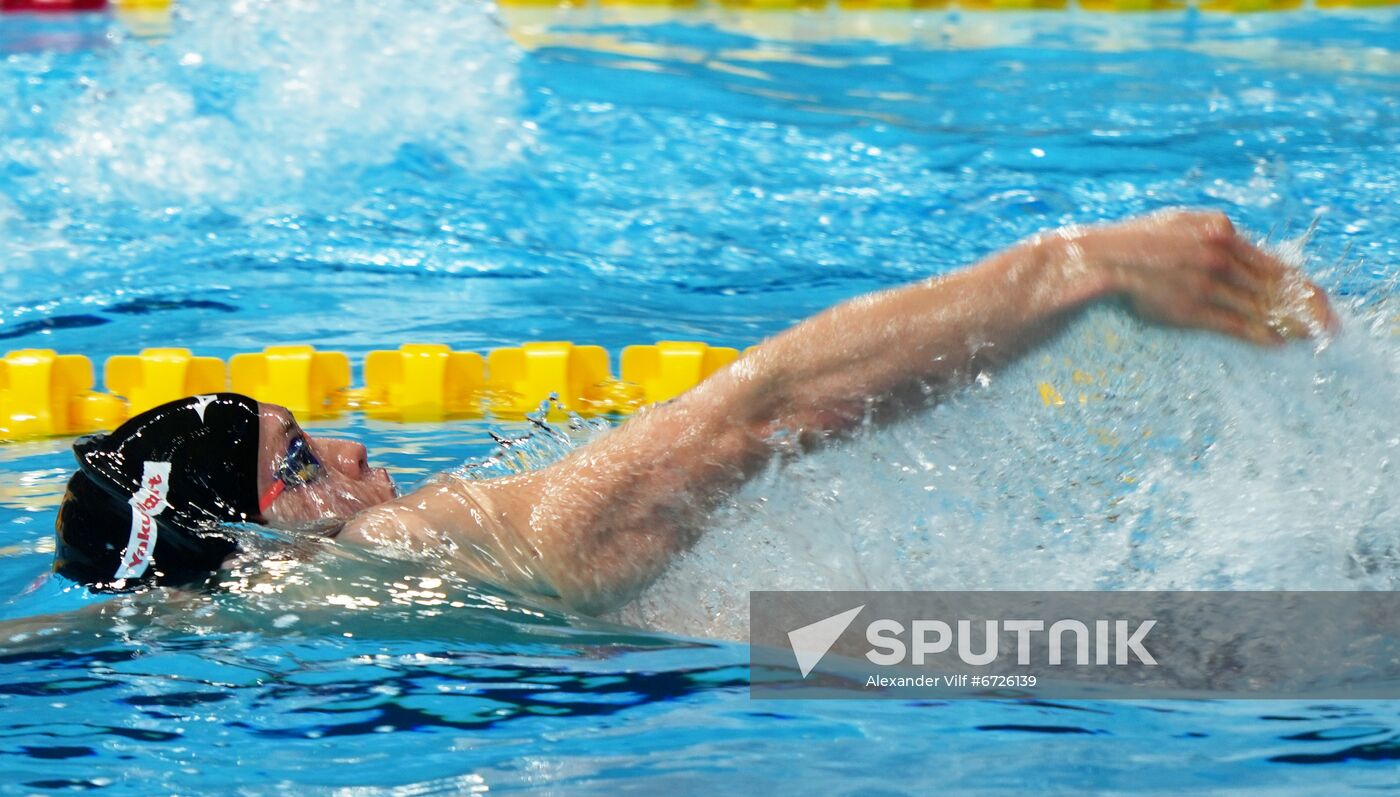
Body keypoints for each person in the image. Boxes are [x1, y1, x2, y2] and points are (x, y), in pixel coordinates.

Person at [53, 210, 1339, 614]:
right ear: (253, 526)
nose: (352, 445)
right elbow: (753, 418)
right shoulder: (403, 549)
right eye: (297, 454)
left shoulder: (255, 608)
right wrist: (1074, 270)